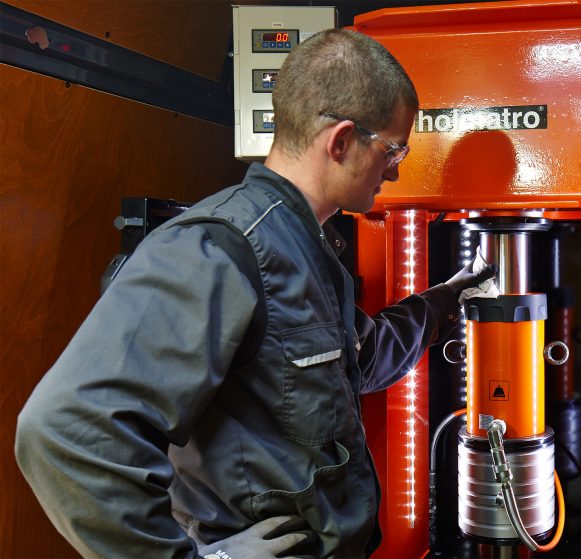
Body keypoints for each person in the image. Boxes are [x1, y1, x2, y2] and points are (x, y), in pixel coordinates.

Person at [15, 28, 493, 558]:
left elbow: (365, 356)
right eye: (392, 148)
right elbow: (67, 431)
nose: (396, 168)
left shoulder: (305, 248)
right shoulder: (221, 248)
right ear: (340, 141)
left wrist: (446, 300)